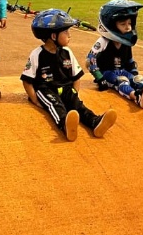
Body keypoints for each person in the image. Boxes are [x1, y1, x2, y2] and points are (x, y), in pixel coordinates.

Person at [21, 8, 117, 142]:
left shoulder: (67, 52)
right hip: (46, 89)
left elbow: (76, 76)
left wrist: (74, 94)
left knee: (78, 105)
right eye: (65, 32)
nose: (69, 35)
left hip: (66, 88)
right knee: (55, 105)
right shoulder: (37, 54)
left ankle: (95, 122)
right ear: (53, 36)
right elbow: (27, 80)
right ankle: (65, 125)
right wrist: (35, 100)